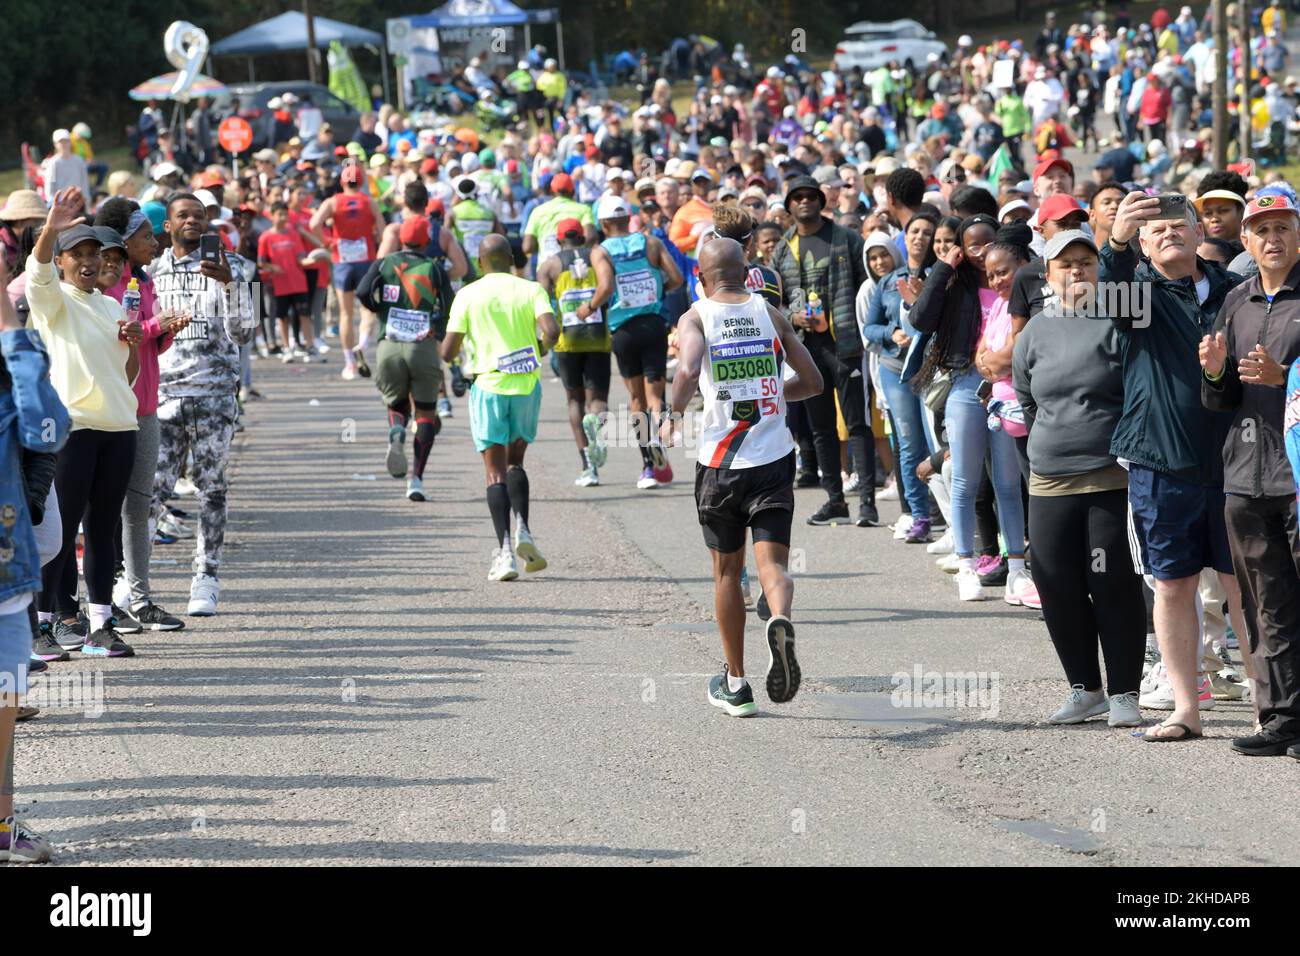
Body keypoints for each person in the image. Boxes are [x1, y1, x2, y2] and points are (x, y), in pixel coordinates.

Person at [1101, 189, 1247, 741]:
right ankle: (1187, 708)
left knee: (1244, 587)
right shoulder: (1138, 294)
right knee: (1173, 585)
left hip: (1237, 463)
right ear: (1142, 243)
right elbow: (1102, 295)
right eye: (1154, 229)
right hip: (1160, 464)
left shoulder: (1237, 289)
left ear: (1196, 229)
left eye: (1177, 223)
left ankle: (1269, 707)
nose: (1167, 233)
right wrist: (1114, 242)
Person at [663, 237, 823, 717]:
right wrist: (773, 393)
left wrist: (672, 414)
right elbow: (812, 382)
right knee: (773, 567)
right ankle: (780, 619)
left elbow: (690, 369)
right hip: (774, 457)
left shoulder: (696, 316)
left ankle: (737, 683)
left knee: (728, 573)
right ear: (748, 270)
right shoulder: (770, 314)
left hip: (721, 466)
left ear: (700, 276)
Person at [1013, 229, 1146, 728]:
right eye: (1065, 264)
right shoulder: (1034, 331)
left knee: (1112, 582)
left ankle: (1125, 693)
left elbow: (1137, 392)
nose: (1077, 271)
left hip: (1110, 477)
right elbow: (1027, 400)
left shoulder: (1121, 319)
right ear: (1048, 275)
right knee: (1055, 583)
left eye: (1086, 262)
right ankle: (1084, 688)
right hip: (1049, 478)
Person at [1201, 194, 1300, 756]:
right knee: (1266, 604)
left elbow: (1286, 381)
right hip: (1245, 475)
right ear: (1246, 241)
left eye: (1282, 228)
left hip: (1298, 475)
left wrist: (1286, 375)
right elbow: (1220, 399)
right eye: (1261, 230)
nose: (1272, 239)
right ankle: (1281, 718)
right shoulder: (1235, 301)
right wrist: (1215, 372)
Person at [25, 189, 140, 656]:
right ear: (65, 261)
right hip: (73, 429)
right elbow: (38, 276)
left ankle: (99, 625)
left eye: (96, 254)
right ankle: (44, 623)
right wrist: (51, 231)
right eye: (78, 255)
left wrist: (131, 341)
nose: (89, 262)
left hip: (119, 427)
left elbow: (125, 376)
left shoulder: (113, 306)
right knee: (61, 529)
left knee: (104, 529)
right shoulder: (56, 303)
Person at [910, 214, 1029, 603]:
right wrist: (944, 266)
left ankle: (1016, 569)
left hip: (1008, 386)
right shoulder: (955, 283)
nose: (980, 253)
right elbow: (921, 318)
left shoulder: (1019, 280)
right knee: (964, 479)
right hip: (964, 383)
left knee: (1008, 483)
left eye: (987, 242)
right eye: (971, 245)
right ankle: (966, 565)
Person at [148, 193, 257, 616]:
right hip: (163, 396)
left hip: (214, 397)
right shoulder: (149, 271)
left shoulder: (240, 267)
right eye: (183, 215)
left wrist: (230, 284)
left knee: (212, 489)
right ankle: (132, 584)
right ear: (168, 227)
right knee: (150, 494)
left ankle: (206, 578)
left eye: (199, 215)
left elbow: (247, 333)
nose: (192, 220)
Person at [0, 248, 70, 863]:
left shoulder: (16, 373)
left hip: (4, 573)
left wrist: (14, 341)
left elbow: (47, 428)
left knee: (4, 700)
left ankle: (2, 824)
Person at [94, 200, 190, 631]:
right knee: (102, 509)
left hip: (146, 407)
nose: (157, 242)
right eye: (148, 236)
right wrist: (156, 326)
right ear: (125, 240)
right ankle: (100, 602)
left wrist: (166, 330)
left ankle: (140, 598)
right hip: (112, 408)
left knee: (139, 505)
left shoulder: (143, 279)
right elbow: (117, 334)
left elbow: (148, 347)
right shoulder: (107, 279)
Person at [440, 235, 559, 581]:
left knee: (493, 472)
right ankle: (524, 528)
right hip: (526, 385)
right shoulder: (530, 288)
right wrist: (539, 347)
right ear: (511, 259)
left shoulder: (467, 294)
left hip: (489, 386)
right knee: (516, 462)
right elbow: (551, 329)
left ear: (479, 263)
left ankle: (504, 552)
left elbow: (448, 352)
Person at [772, 174, 876, 527]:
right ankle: (835, 500)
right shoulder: (783, 248)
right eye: (797, 196)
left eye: (810, 195)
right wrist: (791, 315)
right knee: (820, 428)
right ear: (789, 205)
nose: (805, 201)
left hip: (844, 344)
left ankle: (867, 503)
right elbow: (774, 302)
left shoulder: (846, 239)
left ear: (821, 200)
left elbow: (867, 289)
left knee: (857, 422)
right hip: (804, 348)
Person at [590, 194, 684, 489]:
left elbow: (605, 287)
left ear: (604, 223)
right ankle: (661, 437)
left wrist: (589, 307)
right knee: (656, 396)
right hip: (654, 324)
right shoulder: (650, 243)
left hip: (624, 330)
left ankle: (648, 465)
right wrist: (656, 291)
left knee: (636, 400)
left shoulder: (601, 250)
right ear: (628, 217)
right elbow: (677, 277)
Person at [357, 215, 453, 503]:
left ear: (401, 240)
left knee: (396, 404)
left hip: (389, 345)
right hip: (422, 346)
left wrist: (379, 309)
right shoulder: (434, 269)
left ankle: (397, 429)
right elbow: (450, 307)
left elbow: (362, 291)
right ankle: (416, 480)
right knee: (425, 414)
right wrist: (438, 327)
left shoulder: (385, 263)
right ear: (426, 241)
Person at [863, 210, 939, 543]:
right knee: (909, 443)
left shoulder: (941, 275)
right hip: (896, 370)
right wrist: (891, 333)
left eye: (927, 232)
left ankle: (950, 519)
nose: (920, 237)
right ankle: (919, 516)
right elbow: (869, 327)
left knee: (938, 443)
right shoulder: (888, 281)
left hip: (932, 370)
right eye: (914, 232)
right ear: (904, 238)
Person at [535, 217, 613, 487]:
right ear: (582, 237)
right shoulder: (597, 254)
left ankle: (587, 466)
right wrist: (591, 307)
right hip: (597, 337)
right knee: (598, 398)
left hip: (567, 342)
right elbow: (608, 287)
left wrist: (543, 342)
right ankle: (597, 425)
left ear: (558, 240)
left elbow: (541, 307)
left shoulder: (549, 265)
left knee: (574, 400)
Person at [310, 164, 383, 380]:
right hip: (366, 259)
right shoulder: (369, 202)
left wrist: (328, 242)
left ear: (342, 182)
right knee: (368, 309)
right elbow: (381, 227)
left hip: (342, 260)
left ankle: (350, 363)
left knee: (345, 313)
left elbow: (314, 223)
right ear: (361, 182)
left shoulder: (332, 202)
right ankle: (362, 344)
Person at [256, 202, 317, 361]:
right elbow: (261, 262)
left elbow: (300, 257)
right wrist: (272, 268)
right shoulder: (266, 237)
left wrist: (310, 261)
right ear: (272, 215)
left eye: (285, 214)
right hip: (280, 284)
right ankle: (286, 348)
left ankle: (310, 346)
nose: (283, 218)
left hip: (298, 282)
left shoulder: (293, 234)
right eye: (280, 214)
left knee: (304, 314)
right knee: (282, 317)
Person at [42, 130, 91, 201]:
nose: (64, 144)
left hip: (78, 202)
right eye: (61, 142)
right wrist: (54, 204)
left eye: (66, 141)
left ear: (70, 142)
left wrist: (86, 201)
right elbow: (50, 188)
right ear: (55, 144)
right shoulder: (53, 163)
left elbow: (84, 184)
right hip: (61, 203)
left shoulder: (79, 161)